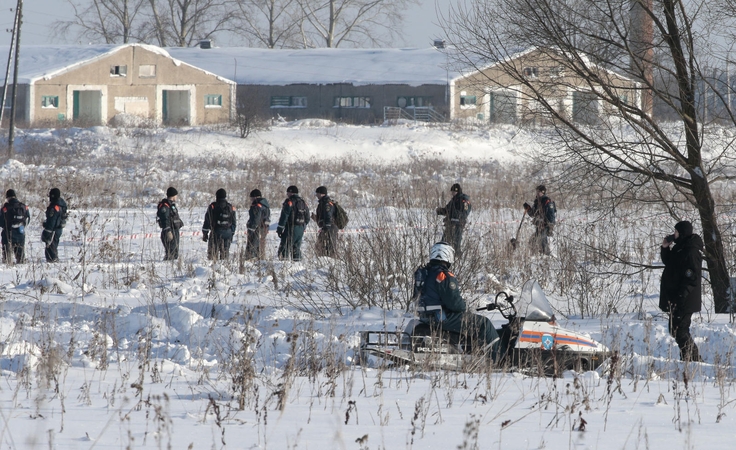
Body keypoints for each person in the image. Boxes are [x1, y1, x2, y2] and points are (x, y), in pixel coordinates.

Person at [415, 241, 498, 354]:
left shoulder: (423, 274)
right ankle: (498, 358)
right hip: (442, 318)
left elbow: (417, 297)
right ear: (448, 255)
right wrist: (465, 307)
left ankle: (472, 350)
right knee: (484, 324)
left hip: (425, 317)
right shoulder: (443, 276)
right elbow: (455, 303)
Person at [659, 221, 703, 362]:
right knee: (675, 329)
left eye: (676, 232)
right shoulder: (680, 248)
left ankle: (693, 360)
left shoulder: (690, 250)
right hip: (677, 298)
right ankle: (688, 358)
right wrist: (665, 248)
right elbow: (670, 263)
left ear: (682, 233)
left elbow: (692, 277)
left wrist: (681, 296)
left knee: (680, 330)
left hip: (685, 299)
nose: (674, 234)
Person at [436, 183, 472, 256]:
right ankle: (443, 255)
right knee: (444, 241)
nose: (452, 193)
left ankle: (458, 257)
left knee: (456, 242)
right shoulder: (453, 200)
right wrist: (439, 211)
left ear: (457, 191)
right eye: (451, 192)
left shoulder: (464, 200)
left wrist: (456, 217)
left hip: (458, 224)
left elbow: (465, 213)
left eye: (453, 192)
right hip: (450, 224)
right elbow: (447, 210)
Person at [277, 185, 309, 261]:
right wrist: (303, 226)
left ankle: (282, 267)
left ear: (291, 192)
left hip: (291, 228)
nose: (287, 194)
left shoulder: (289, 202)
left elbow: (284, 216)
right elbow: (307, 217)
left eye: (287, 192)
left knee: (284, 248)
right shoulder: (303, 202)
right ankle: (297, 267)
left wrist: (280, 229)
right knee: (296, 249)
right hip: (300, 229)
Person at [202, 188, 237, 260]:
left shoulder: (213, 206)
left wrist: (205, 233)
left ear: (216, 196)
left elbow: (207, 221)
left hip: (216, 232)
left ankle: (213, 268)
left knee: (212, 253)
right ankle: (224, 268)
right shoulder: (230, 207)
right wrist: (232, 233)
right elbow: (234, 222)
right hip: (228, 233)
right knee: (225, 253)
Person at [523, 185, 556, 255]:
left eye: (539, 192)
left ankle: (547, 256)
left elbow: (551, 215)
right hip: (539, 225)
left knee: (543, 241)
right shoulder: (537, 202)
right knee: (532, 241)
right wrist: (528, 208)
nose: (537, 194)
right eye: (536, 192)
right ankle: (536, 255)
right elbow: (533, 214)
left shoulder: (547, 202)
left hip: (545, 225)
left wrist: (550, 227)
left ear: (543, 192)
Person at [1, 189, 30, 264]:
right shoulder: (24, 207)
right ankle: (21, 262)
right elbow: (28, 219)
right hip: (20, 232)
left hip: (8, 233)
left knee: (7, 256)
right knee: (20, 255)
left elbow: (1, 222)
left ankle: (8, 262)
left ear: (8, 197)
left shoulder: (5, 208)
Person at [41, 188, 69, 262]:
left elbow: (52, 221)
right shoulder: (62, 204)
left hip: (53, 230)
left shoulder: (54, 207)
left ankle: (52, 261)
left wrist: (47, 231)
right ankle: (53, 260)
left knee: (50, 247)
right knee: (54, 245)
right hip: (59, 228)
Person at [157, 187, 184, 261]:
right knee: (172, 253)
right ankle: (168, 267)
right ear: (173, 195)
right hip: (170, 231)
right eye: (176, 195)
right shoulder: (165, 206)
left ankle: (170, 266)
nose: (177, 197)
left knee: (174, 253)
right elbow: (165, 219)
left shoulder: (171, 205)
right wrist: (168, 231)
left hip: (174, 230)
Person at [312, 186, 338, 257]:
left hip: (330, 228)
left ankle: (331, 261)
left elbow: (328, 215)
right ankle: (324, 260)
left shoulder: (326, 203)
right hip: (326, 227)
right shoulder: (323, 202)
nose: (316, 195)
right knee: (320, 246)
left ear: (321, 194)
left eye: (317, 193)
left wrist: (327, 226)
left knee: (330, 247)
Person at [246, 189, 270, 260]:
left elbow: (256, 219)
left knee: (252, 246)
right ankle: (261, 260)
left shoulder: (257, 206)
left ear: (255, 197)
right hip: (264, 229)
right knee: (260, 247)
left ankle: (251, 260)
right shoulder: (266, 206)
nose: (251, 200)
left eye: (251, 198)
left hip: (257, 229)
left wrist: (251, 228)